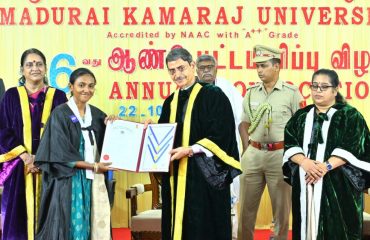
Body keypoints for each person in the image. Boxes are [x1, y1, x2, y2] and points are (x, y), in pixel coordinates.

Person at [158, 47, 241, 240]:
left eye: (181, 68)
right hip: (176, 175)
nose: (177, 74)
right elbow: (164, 136)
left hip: (205, 175)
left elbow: (222, 133)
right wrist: (147, 131)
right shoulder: (170, 101)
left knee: (203, 226)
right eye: (172, 71)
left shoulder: (213, 95)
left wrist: (191, 150)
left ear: (192, 66)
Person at [283, 69, 370, 239]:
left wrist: (325, 166)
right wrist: (305, 163)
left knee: (339, 228)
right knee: (306, 226)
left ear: (335, 89)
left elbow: (353, 145)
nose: (318, 91)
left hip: (339, 184)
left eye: (324, 87)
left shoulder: (350, 115)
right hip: (307, 182)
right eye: (314, 86)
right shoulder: (301, 116)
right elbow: (290, 142)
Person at [34, 67, 114, 240]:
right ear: (71, 86)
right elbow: (59, 152)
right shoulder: (60, 114)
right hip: (68, 180)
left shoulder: (98, 115)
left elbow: (110, 146)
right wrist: (93, 166)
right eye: (81, 85)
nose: (87, 90)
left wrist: (113, 126)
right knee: (71, 225)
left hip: (94, 179)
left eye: (91, 86)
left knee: (95, 223)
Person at [0, 48, 67, 240]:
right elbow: (3, 130)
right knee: (18, 217)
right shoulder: (11, 96)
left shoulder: (59, 97)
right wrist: (26, 156)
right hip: (19, 168)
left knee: (51, 218)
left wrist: (42, 158)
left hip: (51, 168)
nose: (34, 68)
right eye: (29, 64)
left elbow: (64, 131)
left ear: (46, 69)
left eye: (39, 64)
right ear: (22, 70)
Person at [238, 45, 304, 240]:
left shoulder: (291, 93)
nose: (259, 70)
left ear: (276, 66)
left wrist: (294, 156)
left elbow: (300, 127)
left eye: (263, 65)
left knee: (281, 209)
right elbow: (243, 123)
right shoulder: (251, 93)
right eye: (257, 66)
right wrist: (246, 149)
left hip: (280, 154)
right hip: (254, 153)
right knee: (246, 209)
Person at [196, 54, 243, 240]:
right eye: (202, 67)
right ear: (196, 69)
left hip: (224, 156)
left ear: (216, 68)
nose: (206, 70)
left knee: (227, 204)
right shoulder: (190, 90)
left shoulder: (228, 89)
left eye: (210, 67)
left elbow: (241, 121)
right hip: (198, 157)